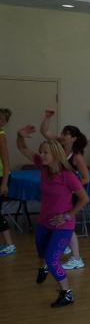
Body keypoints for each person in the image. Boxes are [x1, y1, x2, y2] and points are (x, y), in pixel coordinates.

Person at [15, 126, 88, 307]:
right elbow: (23, 148)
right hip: (44, 222)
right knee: (42, 255)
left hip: (63, 226)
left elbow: (84, 199)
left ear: (55, 154)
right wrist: (20, 136)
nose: (41, 155)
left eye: (45, 152)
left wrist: (67, 216)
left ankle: (66, 293)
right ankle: (44, 267)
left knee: (51, 259)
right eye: (41, 152)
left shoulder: (68, 175)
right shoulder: (43, 167)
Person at [39, 111, 90, 270]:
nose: (62, 136)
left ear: (73, 138)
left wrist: (71, 187)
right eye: (62, 133)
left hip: (72, 194)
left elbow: (86, 178)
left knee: (67, 225)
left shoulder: (77, 157)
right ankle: (64, 245)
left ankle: (77, 258)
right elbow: (44, 131)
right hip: (62, 194)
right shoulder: (58, 147)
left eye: (65, 134)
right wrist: (47, 117)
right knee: (60, 223)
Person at [0, 108, 17, 257]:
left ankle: (10, 245)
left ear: (5, 122)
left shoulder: (1, 135)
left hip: (1, 177)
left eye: (1, 119)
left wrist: (4, 183)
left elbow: (6, 162)